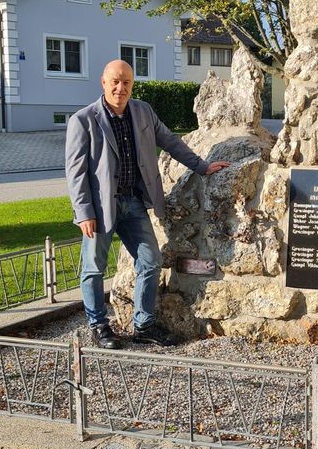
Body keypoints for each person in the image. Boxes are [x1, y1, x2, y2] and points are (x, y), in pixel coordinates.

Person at [66, 60, 229, 350]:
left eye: (127, 82)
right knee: (93, 268)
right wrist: (83, 212)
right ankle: (99, 327)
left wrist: (202, 167)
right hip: (101, 208)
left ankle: (143, 325)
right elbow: (76, 173)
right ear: (103, 83)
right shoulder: (83, 120)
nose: (121, 87)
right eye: (115, 81)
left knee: (151, 261)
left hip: (133, 202)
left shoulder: (143, 111)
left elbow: (170, 142)